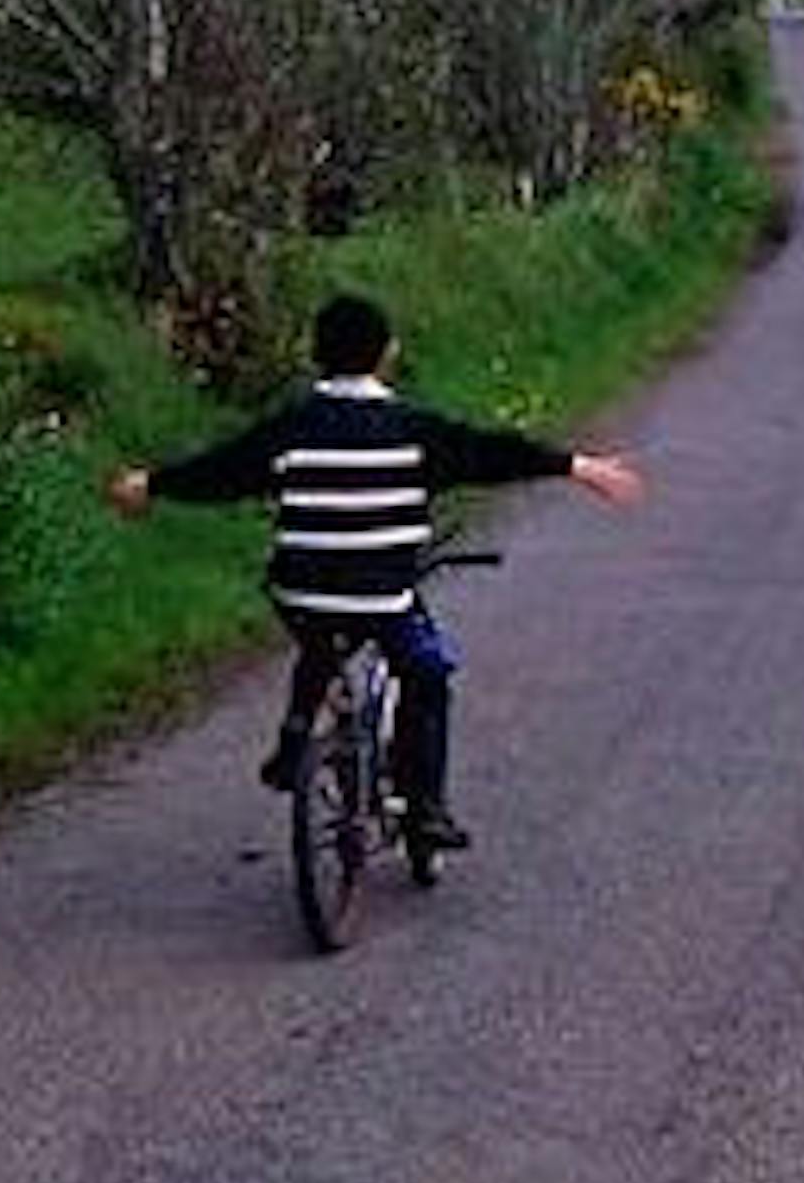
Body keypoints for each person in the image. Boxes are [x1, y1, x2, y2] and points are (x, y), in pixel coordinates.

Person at [107, 291, 642, 850]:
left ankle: (295, 739)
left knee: (320, 642)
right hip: (383, 596)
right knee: (426, 676)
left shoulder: (290, 428)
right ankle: (425, 808)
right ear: (387, 353)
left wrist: (152, 484)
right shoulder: (413, 431)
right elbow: (490, 452)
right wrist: (576, 467)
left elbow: (222, 470)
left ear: (315, 354)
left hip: (302, 593)